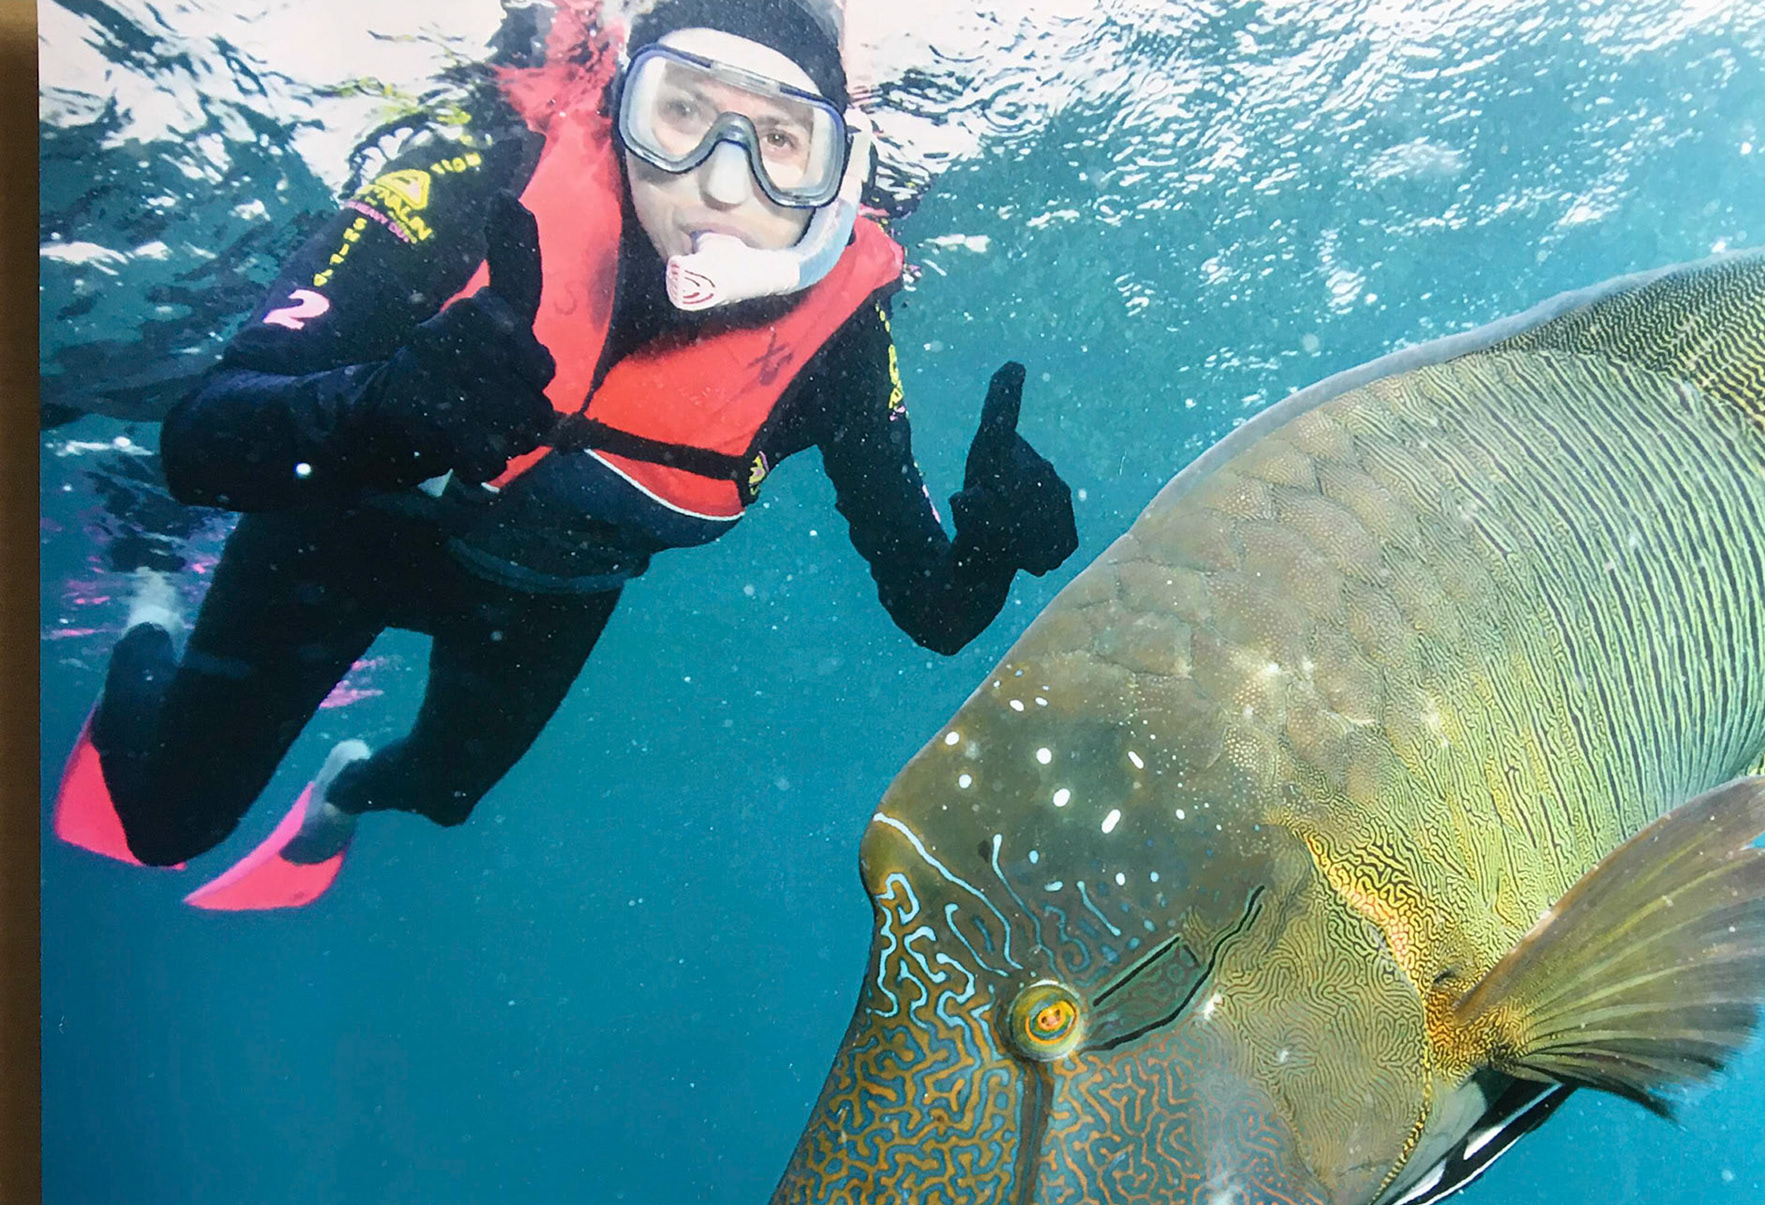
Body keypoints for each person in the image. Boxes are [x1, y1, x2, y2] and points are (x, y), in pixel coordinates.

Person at [53, 0, 1078, 910]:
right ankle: (149, 594)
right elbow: (201, 437)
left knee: (447, 796)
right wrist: (383, 406)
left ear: (839, 168)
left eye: (780, 142)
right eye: (682, 114)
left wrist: (989, 547)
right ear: (621, 98)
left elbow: (933, 611)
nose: (722, 184)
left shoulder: (838, 337)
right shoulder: (481, 180)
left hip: (543, 593)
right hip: (342, 532)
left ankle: (345, 788)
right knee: (167, 825)